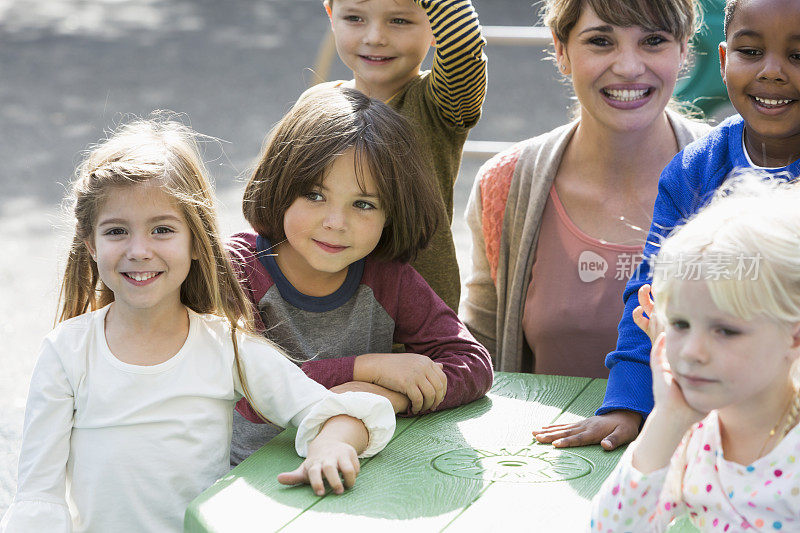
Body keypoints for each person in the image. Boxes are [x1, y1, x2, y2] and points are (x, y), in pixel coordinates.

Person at [0, 118, 396, 533]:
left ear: (195, 241)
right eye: (117, 231)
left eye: (162, 230)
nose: (139, 250)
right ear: (90, 244)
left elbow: (333, 410)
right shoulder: (67, 352)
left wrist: (331, 445)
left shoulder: (227, 347)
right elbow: (37, 495)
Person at [538, 0, 800, 452]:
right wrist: (628, 403)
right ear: (722, 60)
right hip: (711, 433)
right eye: (751, 52)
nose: (772, 72)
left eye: (798, 55)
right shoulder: (694, 172)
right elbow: (652, 294)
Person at [463, 0, 709, 442]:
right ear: (560, 49)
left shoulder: (735, 178)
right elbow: (481, 354)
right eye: (601, 41)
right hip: (543, 471)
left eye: (653, 40)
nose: (630, 66)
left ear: (684, 48)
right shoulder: (505, 183)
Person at [229, 87, 493, 464]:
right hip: (242, 480)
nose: (336, 223)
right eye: (315, 195)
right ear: (280, 185)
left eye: (363, 204)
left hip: (358, 470)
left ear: (392, 214)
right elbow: (250, 389)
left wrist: (377, 397)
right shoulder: (236, 268)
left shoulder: (388, 278)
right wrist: (365, 370)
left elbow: (472, 362)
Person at [591, 175, 800, 532]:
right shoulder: (695, 431)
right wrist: (667, 419)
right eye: (680, 324)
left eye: (726, 330)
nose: (692, 351)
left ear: (794, 336)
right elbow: (614, 528)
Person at [308, 0, 488, 311]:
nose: (375, 37)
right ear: (331, 16)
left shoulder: (439, 105)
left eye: (400, 21)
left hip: (412, 326)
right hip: (315, 312)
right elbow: (274, 200)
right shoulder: (315, 103)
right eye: (354, 18)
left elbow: (463, 47)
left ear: (436, 26)